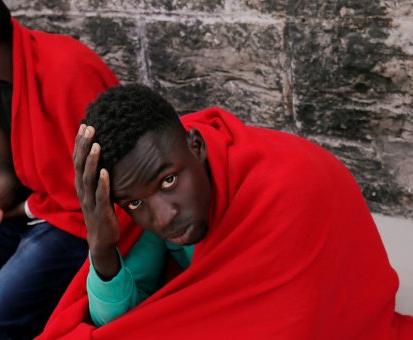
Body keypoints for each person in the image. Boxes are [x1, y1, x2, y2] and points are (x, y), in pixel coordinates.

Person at [39, 84, 413, 339]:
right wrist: (102, 250)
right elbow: (124, 324)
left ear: (197, 146)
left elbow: (297, 321)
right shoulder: (149, 208)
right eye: (135, 203)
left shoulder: (288, 187)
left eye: (168, 181)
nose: (163, 216)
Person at [0, 0, 120, 338]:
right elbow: (6, 166)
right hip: (26, 210)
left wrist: (20, 209)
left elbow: (106, 180)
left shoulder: (67, 70)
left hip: (75, 220)